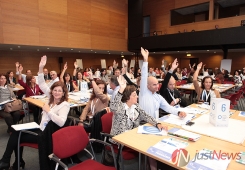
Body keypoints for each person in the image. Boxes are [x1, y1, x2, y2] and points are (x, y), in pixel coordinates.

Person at [0, 55, 70, 170]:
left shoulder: (64, 105)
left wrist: (49, 112)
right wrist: (41, 67)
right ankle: (14, 161)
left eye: (59, 91)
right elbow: (42, 83)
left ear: (63, 93)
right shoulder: (51, 97)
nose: (56, 93)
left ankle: (8, 161)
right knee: (16, 130)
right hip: (40, 128)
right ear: (52, 91)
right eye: (55, 90)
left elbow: (62, 122)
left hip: (46, 135)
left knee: (17, 135)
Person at [110, 75, 167, 170]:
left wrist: (157, 124)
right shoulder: (120, 108)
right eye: (134, 95)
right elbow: (113, 107)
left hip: (132, 136)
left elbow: (146, 116)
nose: (137, 96)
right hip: (120, 140)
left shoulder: (136, 106)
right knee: (148, 145)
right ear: (128, 97)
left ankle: (153, 167)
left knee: (151, 143)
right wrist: (121, 89)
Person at [139, 47, 186, 119]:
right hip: (143, 124)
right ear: (147, 86)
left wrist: (178, 112)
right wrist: (145, 60)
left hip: (155, 123)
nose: (157, 86)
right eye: (154, 85)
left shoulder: (158, 96)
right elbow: (144, 76)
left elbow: (168, 107)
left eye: (157, 84)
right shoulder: (143, 93)